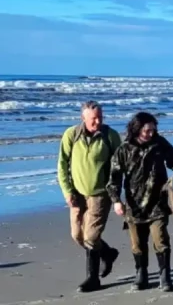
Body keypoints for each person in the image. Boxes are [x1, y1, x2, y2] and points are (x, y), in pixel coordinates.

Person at [106, 111, 173, 292]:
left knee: (160, 239)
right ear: (137, 129)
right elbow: (114, 177)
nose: (151, 133)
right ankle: (141, 274)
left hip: (157, 201)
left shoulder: (159, 143)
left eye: (153, 129)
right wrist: (116, 201)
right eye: (147, 130)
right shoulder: (124, 149)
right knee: (137, 243)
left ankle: (165, 276)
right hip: (134, 205)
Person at [56, 100, 122, 293]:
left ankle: (93, 279)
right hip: (77, 194)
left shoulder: (110, 136)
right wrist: (67, 191)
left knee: (91, 237)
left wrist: (116, 193)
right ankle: (108, 253)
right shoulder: (71, 135)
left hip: (100, 194)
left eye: (100, 117)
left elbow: (119, 166)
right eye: (93, 118)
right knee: (77, 236)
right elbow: (62, 165)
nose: (97, 121)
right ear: (83, 118)